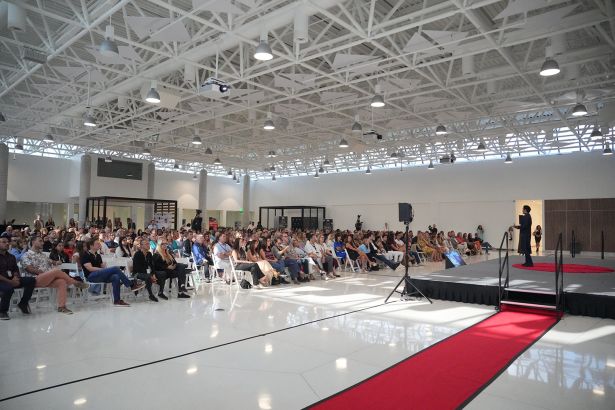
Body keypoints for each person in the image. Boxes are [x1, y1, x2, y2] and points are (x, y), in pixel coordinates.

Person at [81, 239, 145, 306]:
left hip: (100, 275)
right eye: (97, 244)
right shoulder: (85, 255)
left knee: (116, 277)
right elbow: (90, 268)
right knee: (115, 269)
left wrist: (103, 266)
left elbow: (102, 268)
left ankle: (117, 300)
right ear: (91, 246)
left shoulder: (98, 255)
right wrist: (102, 269)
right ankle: (131, 285)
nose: (99, 245)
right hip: (91, 276)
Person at [0, 237, 36, 320]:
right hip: (2, 281)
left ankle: (23, 303)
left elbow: (15, 269)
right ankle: (2, 311)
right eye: (3, 242)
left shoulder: (11, 257)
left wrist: (16, 278)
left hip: (12, 279)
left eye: (7, 242)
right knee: (8, 288)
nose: (7, 243)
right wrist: (10, 281)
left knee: (31, 280)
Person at [132, 237, 166, 302]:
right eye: (146, 244)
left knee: (162, 273)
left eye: (148, 244)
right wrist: (150, 275)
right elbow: (138, 268)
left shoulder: (149, 254)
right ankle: (151, 295)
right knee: (148, 276)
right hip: (138, 273)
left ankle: (160, 292)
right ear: (141, 246)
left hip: (147, 273)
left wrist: (153, 274)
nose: (148, 245)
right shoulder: (137, 254)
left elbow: (152, 265)